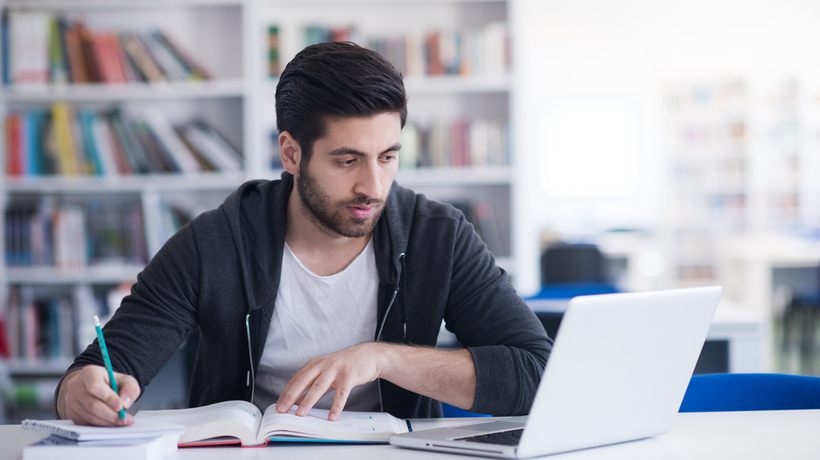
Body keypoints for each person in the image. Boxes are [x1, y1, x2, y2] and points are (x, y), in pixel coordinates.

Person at [55, 41, 551, 426]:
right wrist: (83, 391)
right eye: (347, 160)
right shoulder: (213, 243)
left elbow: (535, 374)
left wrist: (381, 359)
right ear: (291, 154)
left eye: (388, 157)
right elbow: (98, 368)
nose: (373, 187)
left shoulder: (438, 238)